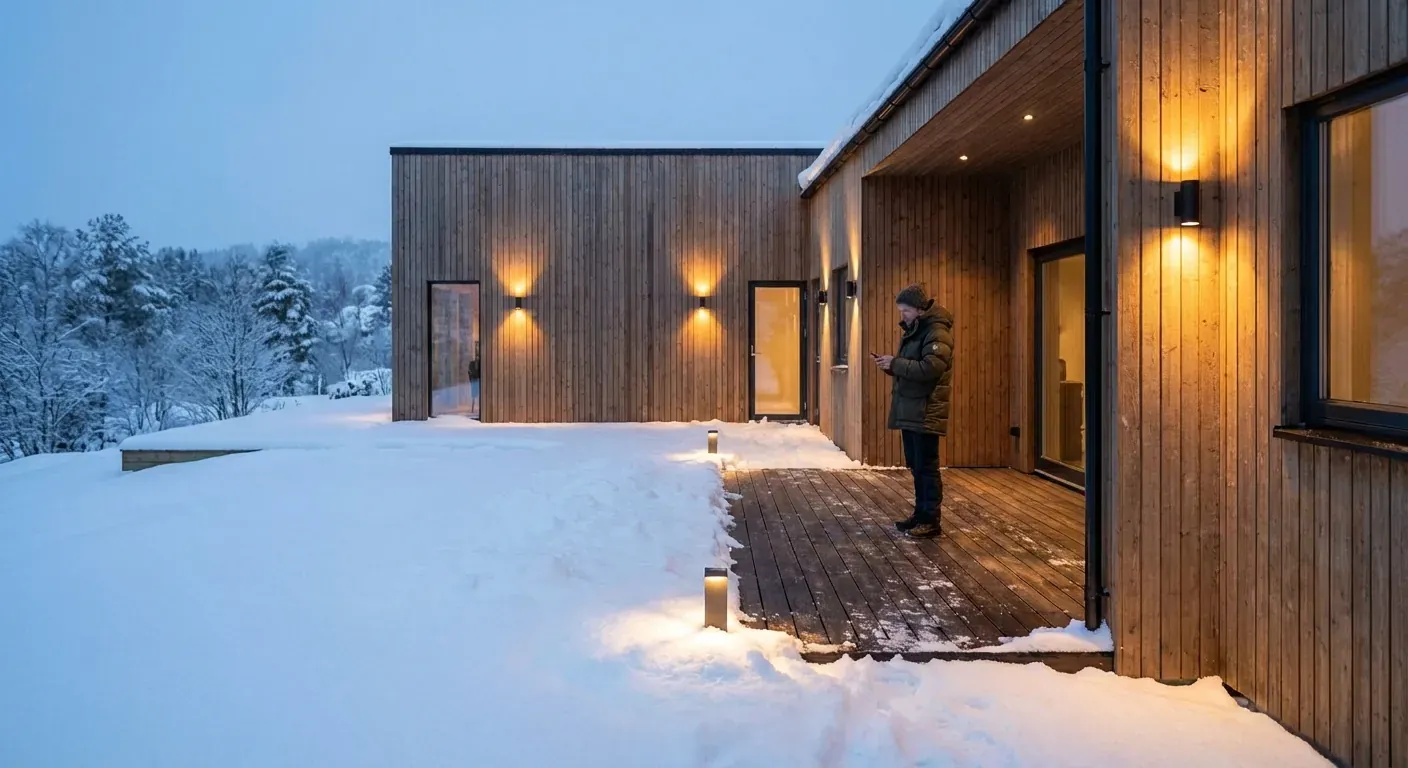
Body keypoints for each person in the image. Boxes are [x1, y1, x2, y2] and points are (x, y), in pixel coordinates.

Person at [871, 283, 953, 539]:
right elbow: (913, 367)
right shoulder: (917, 330)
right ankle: (920, 514)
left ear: (919, 309)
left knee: (926, 467)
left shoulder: (937, 332)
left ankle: (930, 520)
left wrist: (896, 363)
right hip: (912, 407)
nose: (902, 315)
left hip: (926, 409)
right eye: (901, 310)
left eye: (905, 310)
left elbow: (931, 368)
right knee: (917, 465)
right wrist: (890, 366)